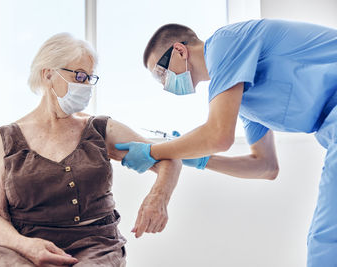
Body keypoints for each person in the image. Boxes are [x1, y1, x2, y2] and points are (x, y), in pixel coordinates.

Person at [115, 19, 337, 266]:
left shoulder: (225, 41)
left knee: (327, 243)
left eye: (161, 73)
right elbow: (265, 166)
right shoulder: (244, 102)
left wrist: (152, 151)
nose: (164, 84)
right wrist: (201, 160)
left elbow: (218, 135)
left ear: (179, 50)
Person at [0, 32, 181, 267]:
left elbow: (169, 156)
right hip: (22, 244)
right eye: (80, 76)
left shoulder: (100, 129)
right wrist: (26, 245)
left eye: (90, 78)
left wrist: (158, 197)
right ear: (49, 74)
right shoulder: (7, 138)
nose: (86, 86)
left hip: (95, 245)